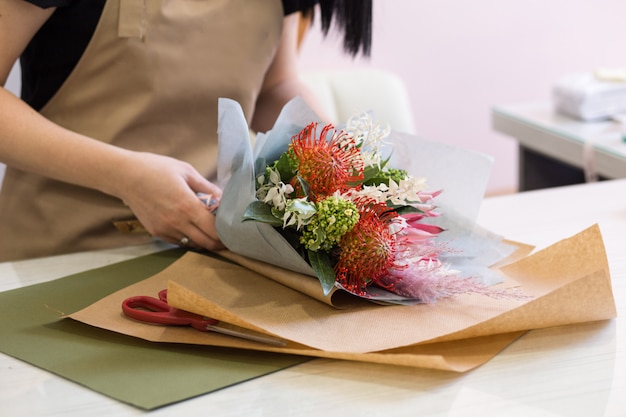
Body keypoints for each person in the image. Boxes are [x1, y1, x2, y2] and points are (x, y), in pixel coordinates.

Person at [0, 0, 372, 261]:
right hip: (56, 257)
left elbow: (273, 87)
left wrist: (331, 149)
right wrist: (126, 176)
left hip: (209, 249)